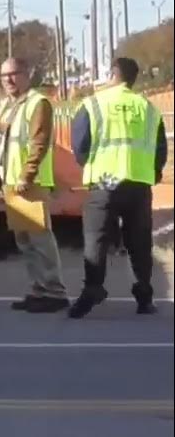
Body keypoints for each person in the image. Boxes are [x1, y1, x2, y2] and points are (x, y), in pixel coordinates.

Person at [68, 57, 168, 318]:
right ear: (133, 79)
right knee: (139, 242)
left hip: (104, 182)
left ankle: (93, 289)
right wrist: (151, 173)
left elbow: (79, 145)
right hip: (139, 183)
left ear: (112, 74)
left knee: (96, 238)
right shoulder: (148, 108)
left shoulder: (92, 104)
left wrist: (90, 166)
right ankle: (144, 296)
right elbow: (160, 149)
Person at [0, 57, 69, 312]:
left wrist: (27, 175)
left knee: (39, 238)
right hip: (12, 183)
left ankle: (54, 293)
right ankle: (39, 289)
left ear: (26, 74)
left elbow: (39, 143)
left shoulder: (37, 103)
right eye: (4, 76)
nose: (8, 80)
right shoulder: (8, 106)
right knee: (25, 241)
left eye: (14, 74)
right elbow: (1, 144)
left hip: (28, 183)